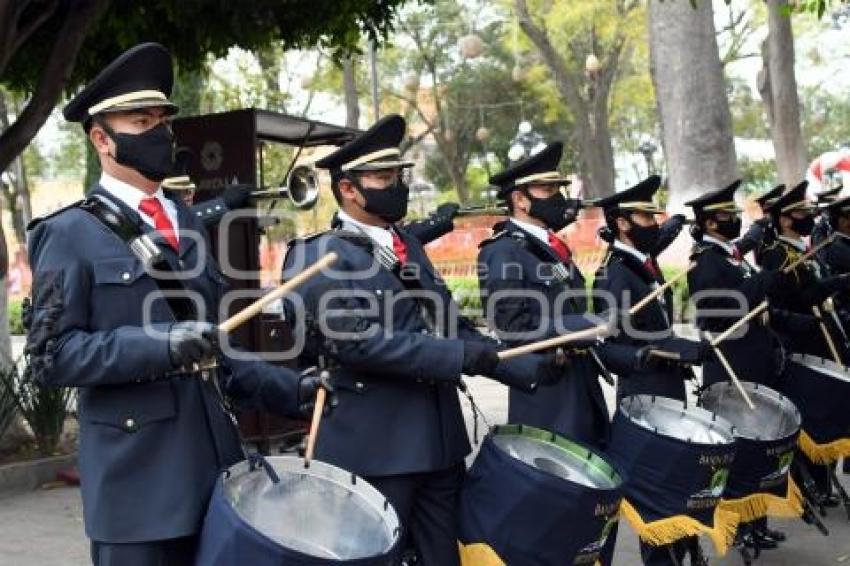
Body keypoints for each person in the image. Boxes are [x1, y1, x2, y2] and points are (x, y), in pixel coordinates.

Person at [26, 43, 317, 566]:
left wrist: (292, 389)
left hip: (215, 478)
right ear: (102, 139)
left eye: (162, 120)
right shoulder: (68, 233)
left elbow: (212, 349)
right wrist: (159, 345)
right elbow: (52, 357)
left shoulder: (184, 224)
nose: (161, 134)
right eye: (141, 121)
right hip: (137, 489)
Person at [280, 114, 546, 566]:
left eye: (399, 175)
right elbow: (356, 343)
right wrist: (460, 354)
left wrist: (508, 361)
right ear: (348, 188)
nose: (397, 185)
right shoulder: (319, 253)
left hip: (439, 441)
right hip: (375, 447)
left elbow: (442, 319)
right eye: (383, 177)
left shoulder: (405, 245)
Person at [477, 141, 637, 449]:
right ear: (520, 200)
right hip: (546, 393)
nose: (559, 198)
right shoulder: (504, 251)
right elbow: (512, 326)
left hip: (581, 383)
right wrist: (584, 324)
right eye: (548, 191)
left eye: (558, 189)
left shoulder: (549, 247)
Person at [591, 175, 709, 566]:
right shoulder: (614, 273)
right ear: (623, 223)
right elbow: (614, 347)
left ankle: (684, 552)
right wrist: (683, 350)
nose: (653, 225)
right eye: (645, 218)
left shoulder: (640, 263)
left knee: (678, 482)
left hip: (668, 387)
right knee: (658, 493)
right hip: (644, 393)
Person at [684, 180, 790, 549]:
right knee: (740, 449)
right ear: (711, 223)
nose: (734, 221)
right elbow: (717, 312)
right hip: (732, 363)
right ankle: (738, 528)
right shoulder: (705, 261)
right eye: (727, 216)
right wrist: (761, 282)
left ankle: (756, 521)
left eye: (734, 214)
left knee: (760, 443)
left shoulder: (729, 254)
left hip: (754, 359)